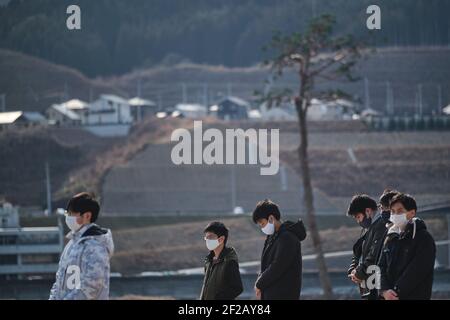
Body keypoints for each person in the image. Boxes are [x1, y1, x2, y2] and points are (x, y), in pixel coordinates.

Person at [49, 192, 114, 300]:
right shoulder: (71, 244)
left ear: (87, 216)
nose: (68, 217)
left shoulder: (96, 246)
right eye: (67, 213)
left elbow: (91, 286)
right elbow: (59, 280)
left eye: (71, 214)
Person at [379, 193, 436, 300]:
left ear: (412, 213)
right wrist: (384, 290)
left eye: (400, 211)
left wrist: (396, 292)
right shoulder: (390, 237)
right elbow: (380, 266)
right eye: (393, 211)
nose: (395, 215)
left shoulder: (423, 238)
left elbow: (417, 271)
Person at [252, 199, 306, 300]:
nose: (262, 227)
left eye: (262, 223)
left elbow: (278, 266)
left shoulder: (287, 238)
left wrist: (259, 284)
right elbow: (266, 266)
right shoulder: (272, 237)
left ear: (271, 218)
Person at [346, 194, 389, 299]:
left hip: (376, 283)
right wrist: (353, 269)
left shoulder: (381, 226)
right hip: (368, 283)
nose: (358, 221)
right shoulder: (368, 228)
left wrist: (359, 273)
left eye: (358, 217)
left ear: (368, 211)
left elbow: (373, 255)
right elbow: (358, 253)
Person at [200, 222, 243, 300]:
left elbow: (237, 288)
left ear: (221, 239)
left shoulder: (229, 261)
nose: (207, 240)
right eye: (206, 237)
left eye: (210, 237)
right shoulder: (208, 261)